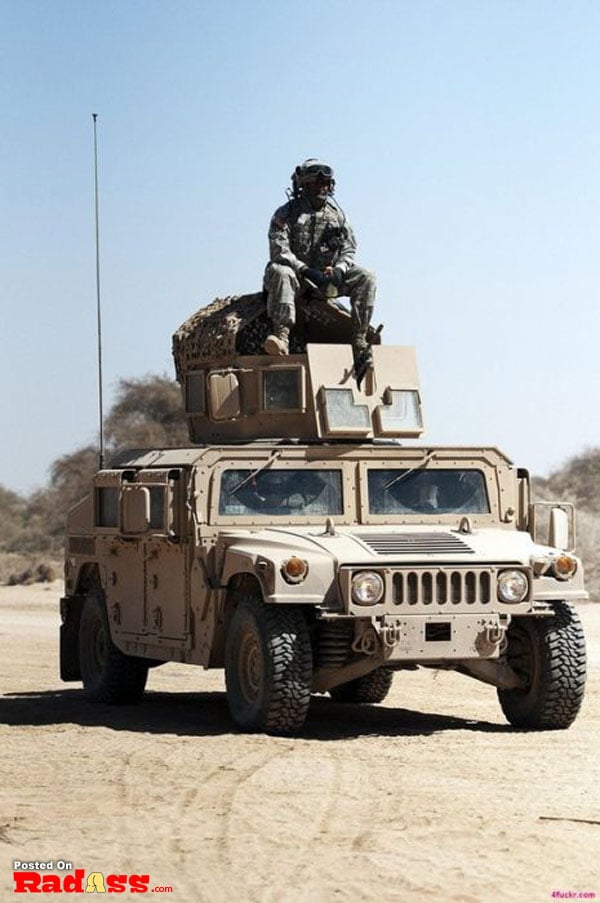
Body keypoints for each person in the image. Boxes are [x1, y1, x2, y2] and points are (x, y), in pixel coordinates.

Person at [263, 158, 376, 362]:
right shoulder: (286, 214)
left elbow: (349, 248)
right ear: (304, 185)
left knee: (366, 277)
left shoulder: (338, 216)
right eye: (316, 183)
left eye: (325, 183)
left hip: (325, 280)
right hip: (295, 279)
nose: (321, 187)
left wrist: (339, 269)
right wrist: (305, 269)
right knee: (281, 272)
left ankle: (359, 339)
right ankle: (282, 337)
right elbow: (279, 250)